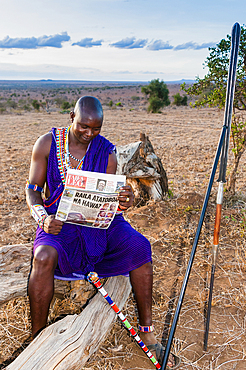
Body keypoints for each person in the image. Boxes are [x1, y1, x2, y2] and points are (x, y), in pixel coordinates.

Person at [25, 96, 180, 368]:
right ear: (71, 117)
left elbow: (110, 200)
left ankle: (147, 330)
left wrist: (125, 199)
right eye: (84, 126)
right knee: (42, 257)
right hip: (58, 223)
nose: (89, 134)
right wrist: (42, 217)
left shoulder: (106, 151)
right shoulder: (46, 144)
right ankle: (37, 337)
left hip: (99, 224)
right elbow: (33, 190)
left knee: (140, 246)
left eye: (95, 128)